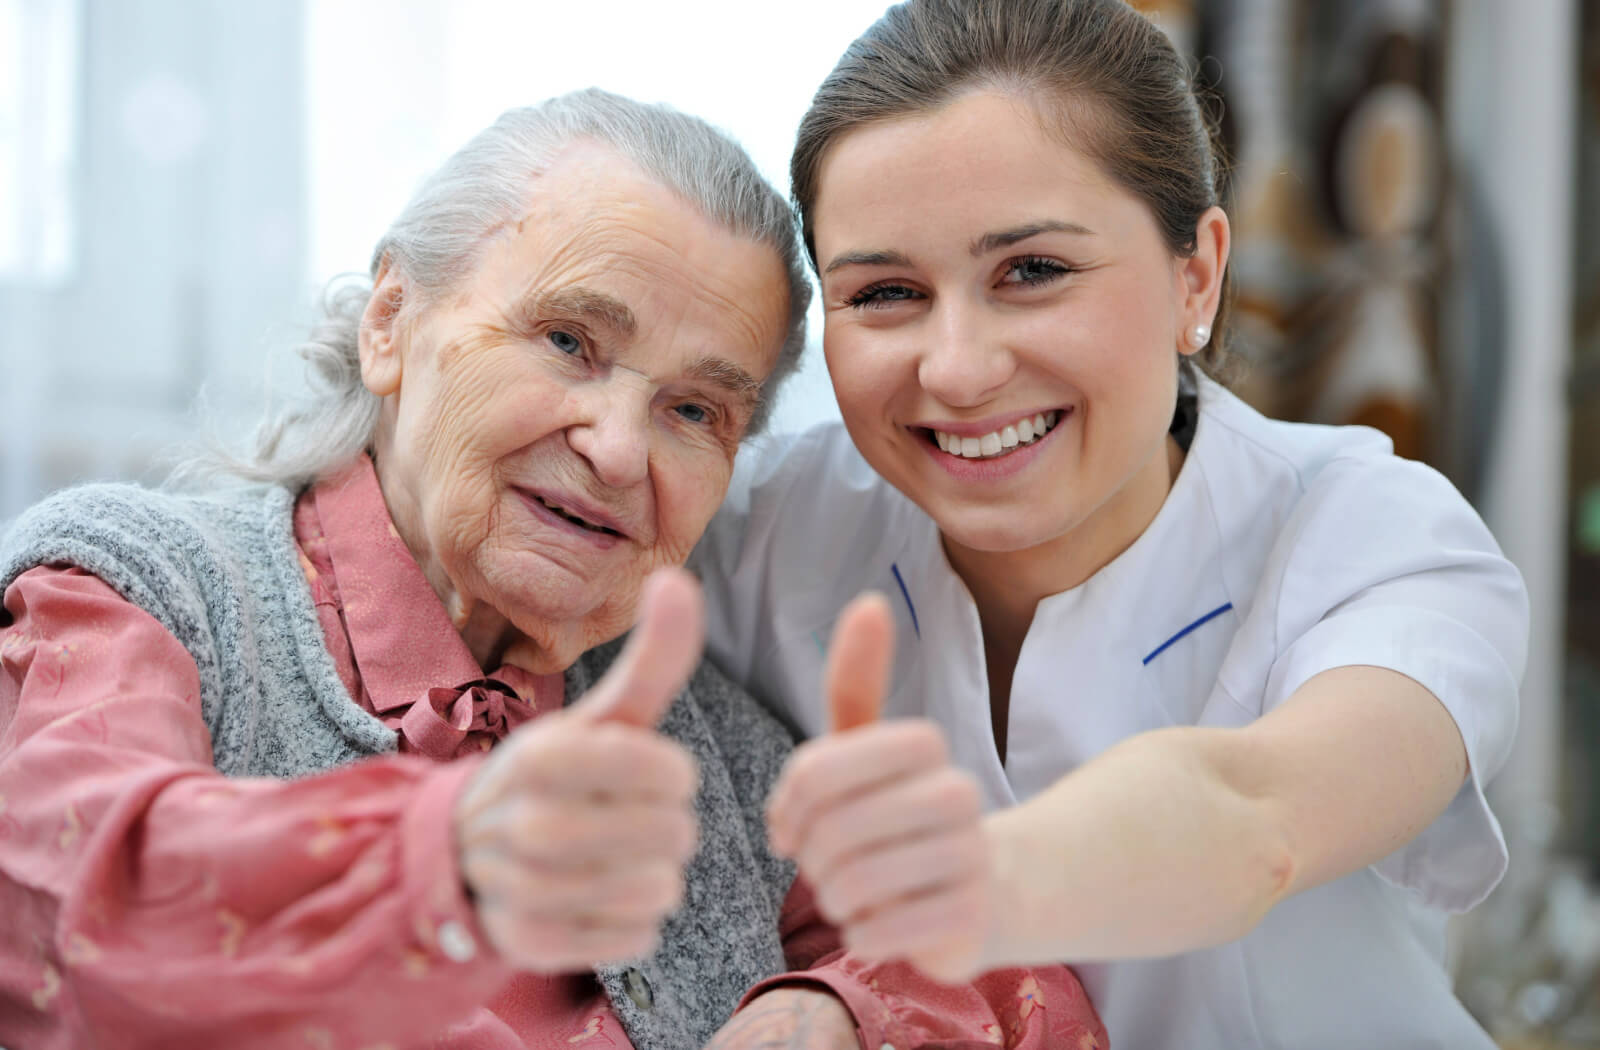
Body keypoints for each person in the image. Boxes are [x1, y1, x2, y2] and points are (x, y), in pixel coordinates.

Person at [0, 89, 1107, 1050]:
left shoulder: (707, 743)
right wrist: (451, 861)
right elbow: (67, 917)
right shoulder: (133, 594)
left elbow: (1016, 988)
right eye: (569, 341)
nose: (619, 450)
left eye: (692, 410)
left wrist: (828, 1014)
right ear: (392, 322)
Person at [690, 1, 1527, 1046]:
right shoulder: (765, 528)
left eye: (1032, 272)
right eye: (885, 292)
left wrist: (922, 933)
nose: (956, 368)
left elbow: (1256, 818)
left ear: (1197, 276)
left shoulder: (1377, 539)